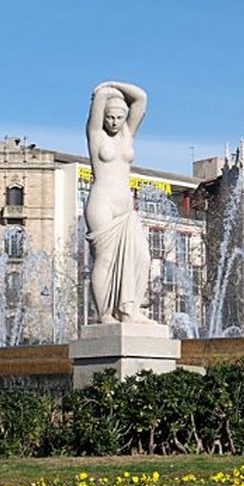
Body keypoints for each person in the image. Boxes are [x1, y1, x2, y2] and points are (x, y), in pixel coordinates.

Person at [85, 81, 152, 323]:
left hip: (125, 207)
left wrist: (113, 84)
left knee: (142, 257)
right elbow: (100, 97)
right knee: (105, 259)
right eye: (109, 117)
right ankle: (104, 314)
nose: (113, 121)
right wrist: (104, 92)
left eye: (119, 117)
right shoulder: (96, 135)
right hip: (101, 202)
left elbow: (141, 99)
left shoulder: (127, 134)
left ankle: (129, 309)